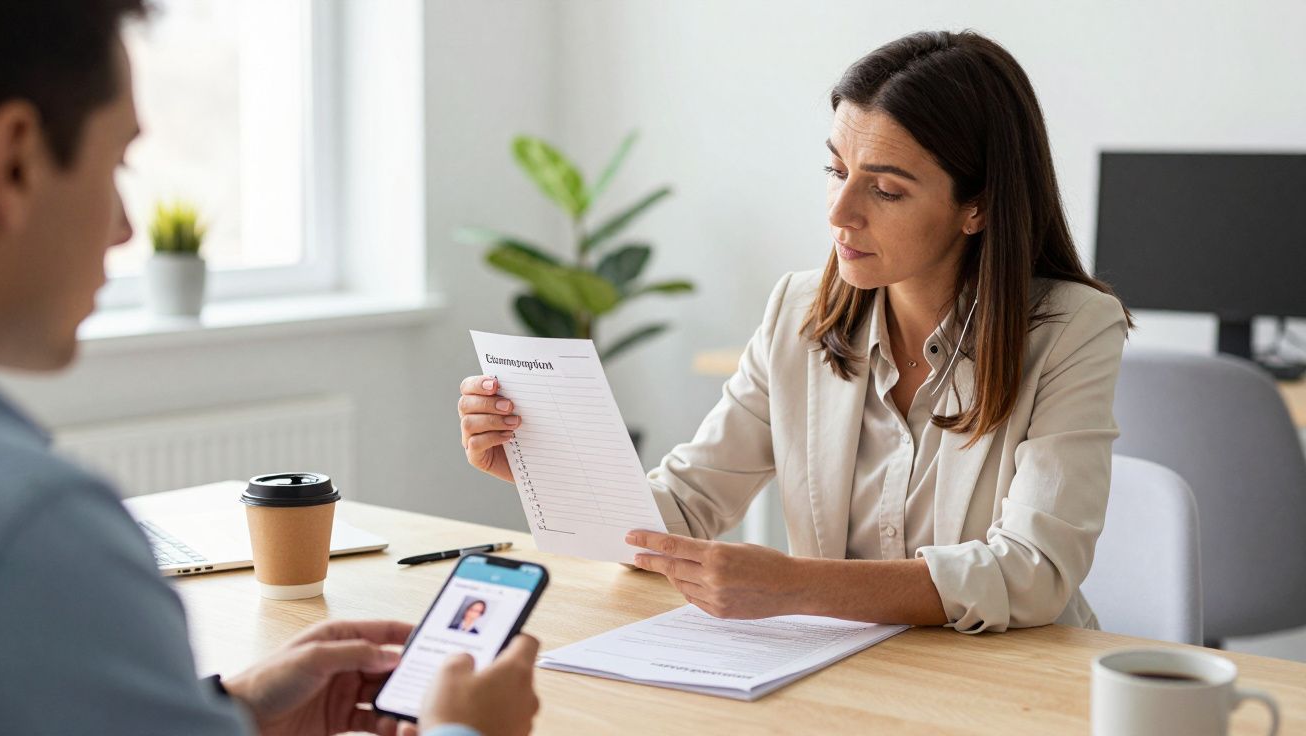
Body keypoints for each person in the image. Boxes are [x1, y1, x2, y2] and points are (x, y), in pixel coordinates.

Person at [458, 30, 1131, 635]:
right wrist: (541, 462)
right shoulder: (798, 310)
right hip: (843, 673)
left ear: (977, 206)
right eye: (837, 171)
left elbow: (1033, 571)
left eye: (886, 190)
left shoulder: (1073, 330)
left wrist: (795, 584)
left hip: (1010, 679)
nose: (840, 212)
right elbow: (686, 508)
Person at [0, 2, 539, 734]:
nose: (125, 228)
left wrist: (232, 714)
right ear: (15, 159)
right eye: (116, 162)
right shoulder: (40, 535)